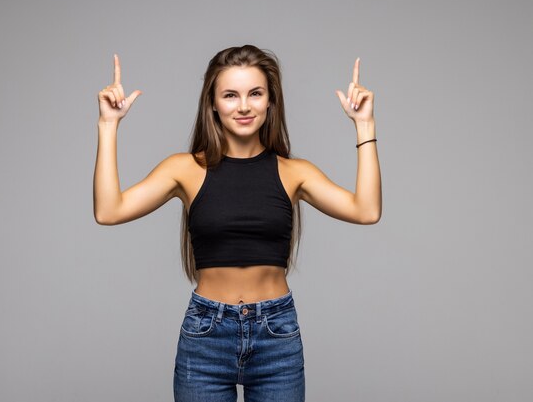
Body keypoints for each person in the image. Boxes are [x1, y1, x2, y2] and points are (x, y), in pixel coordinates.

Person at [93, 44, 381, 402]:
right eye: (230, 95)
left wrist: (364, 125)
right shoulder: (185, 169)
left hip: (276, 335)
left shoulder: (295, 173)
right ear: (212, 103)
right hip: (206, 335)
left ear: (270, 101)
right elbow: (108, 211)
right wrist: (108, 126)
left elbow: (366, 210)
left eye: (255, 94)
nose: (243, 106)